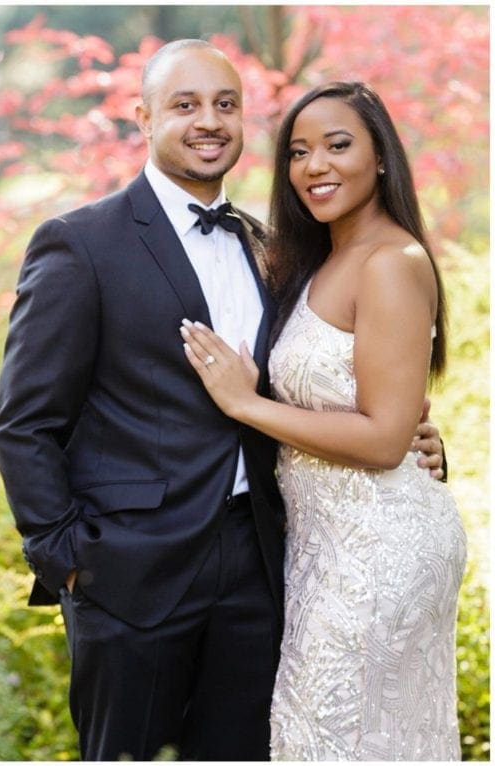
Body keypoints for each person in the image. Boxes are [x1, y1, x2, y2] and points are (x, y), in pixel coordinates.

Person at [0, 39, 445, 761]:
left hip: (263, 561)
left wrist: (413, 429)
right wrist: (71, 560)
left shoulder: (274, 250)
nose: (210, 121)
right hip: (129, 574)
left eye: (226, 105)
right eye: (186, 104)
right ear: (142, 118)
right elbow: (24, 423)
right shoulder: (81, 244)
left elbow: (332, 377)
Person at [179, 81, 465, 760]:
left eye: (339, 146)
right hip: (320, 547)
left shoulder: (393, 263)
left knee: (334, 740)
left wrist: (247, 403)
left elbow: (386, 437)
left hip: (380, 551)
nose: (315, 166)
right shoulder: (310, 261)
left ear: (382, 157)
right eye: (300, 152)